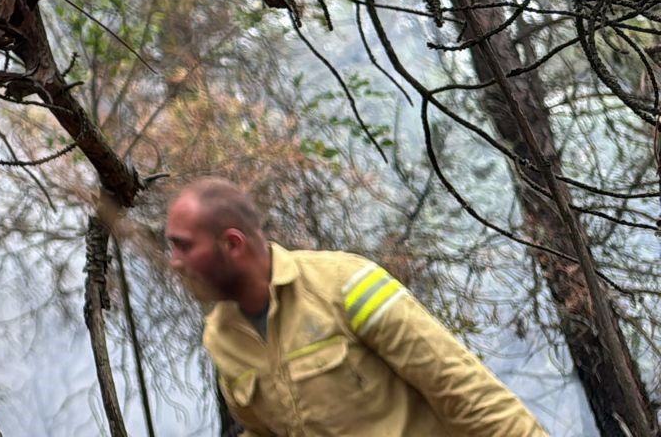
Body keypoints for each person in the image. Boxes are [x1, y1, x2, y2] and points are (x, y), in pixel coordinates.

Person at [165, 177, 547, 437]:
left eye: (183, 246)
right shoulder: (221, 337)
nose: (174, 262)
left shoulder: (346, 284)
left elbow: (464, 390)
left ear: (232, 244)